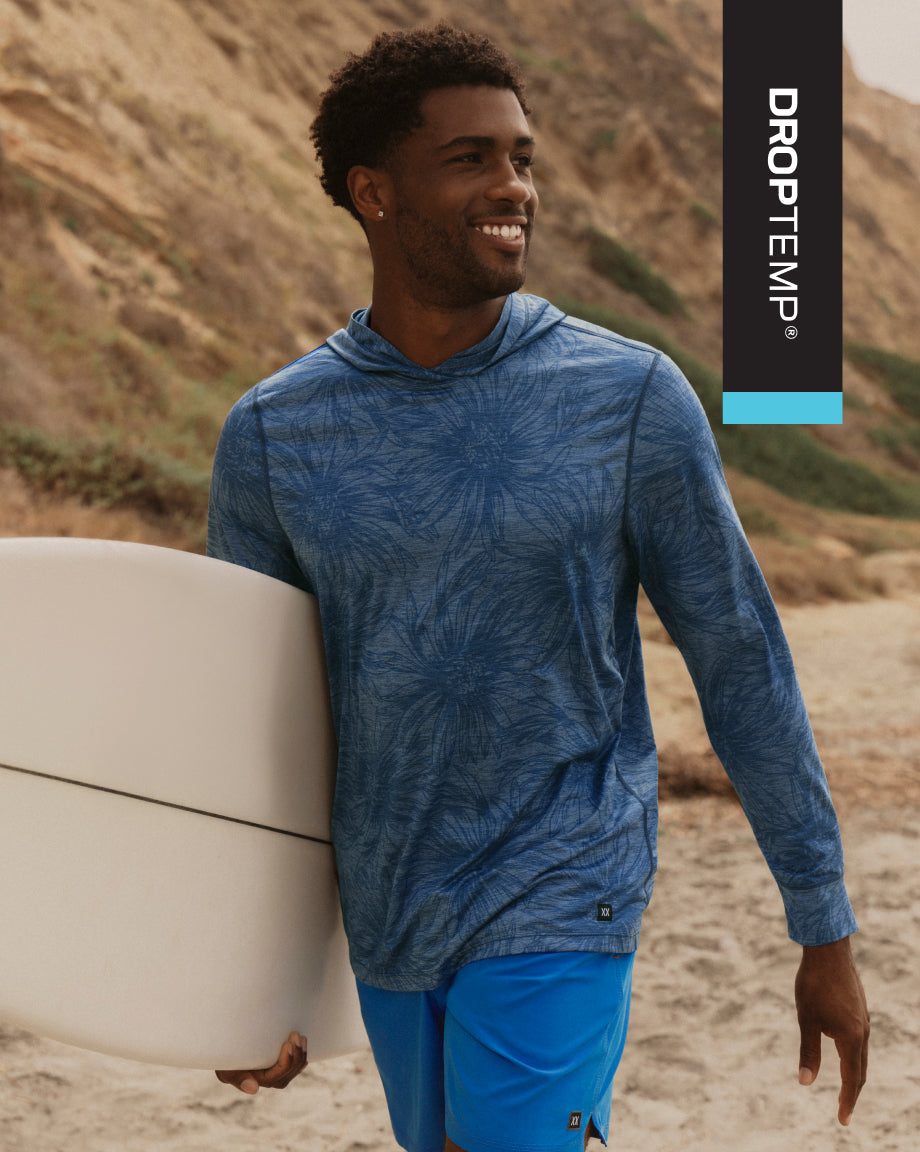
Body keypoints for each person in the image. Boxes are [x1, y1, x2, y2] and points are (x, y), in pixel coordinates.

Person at [208, 22, 870, 1150]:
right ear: (374, 192)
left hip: (566, 879)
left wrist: (823, 924)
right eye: (469, 158)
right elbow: (247, 724)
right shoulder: (277, 434)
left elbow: (737, 657)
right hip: (390, 901)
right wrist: (246, 972)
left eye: (521, 158)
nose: (513, 185)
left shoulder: (627, 398)